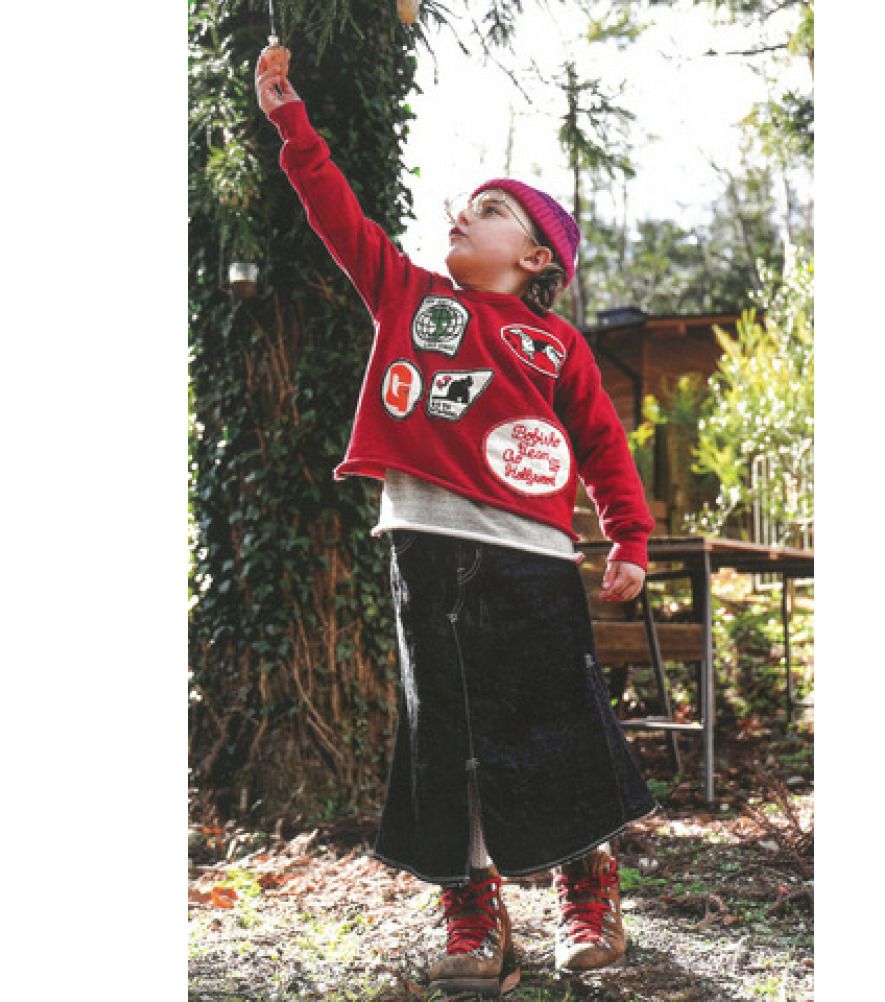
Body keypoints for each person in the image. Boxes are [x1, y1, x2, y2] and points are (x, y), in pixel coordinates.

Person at [255, 50, 660, 998]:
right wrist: (292, 124)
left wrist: (629, 537)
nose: (462, 214)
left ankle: (586, 887)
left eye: (489, 209)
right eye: (464, 205)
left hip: (531, 559)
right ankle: (473, 909)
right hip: (424, 553)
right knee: (446, 734)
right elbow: (337, 217)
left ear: (535, 257)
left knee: (556, 723)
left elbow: (603, 444)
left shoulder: (557, 344)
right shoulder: (410, 297)